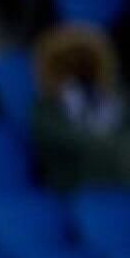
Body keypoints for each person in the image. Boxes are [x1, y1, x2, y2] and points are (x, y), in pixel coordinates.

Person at [30, 23, 130, 189]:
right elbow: (74, 145)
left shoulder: (115, 100)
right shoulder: (45, 110)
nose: (78, 70)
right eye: (68, 65)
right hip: (76, 186)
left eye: (85, 64)